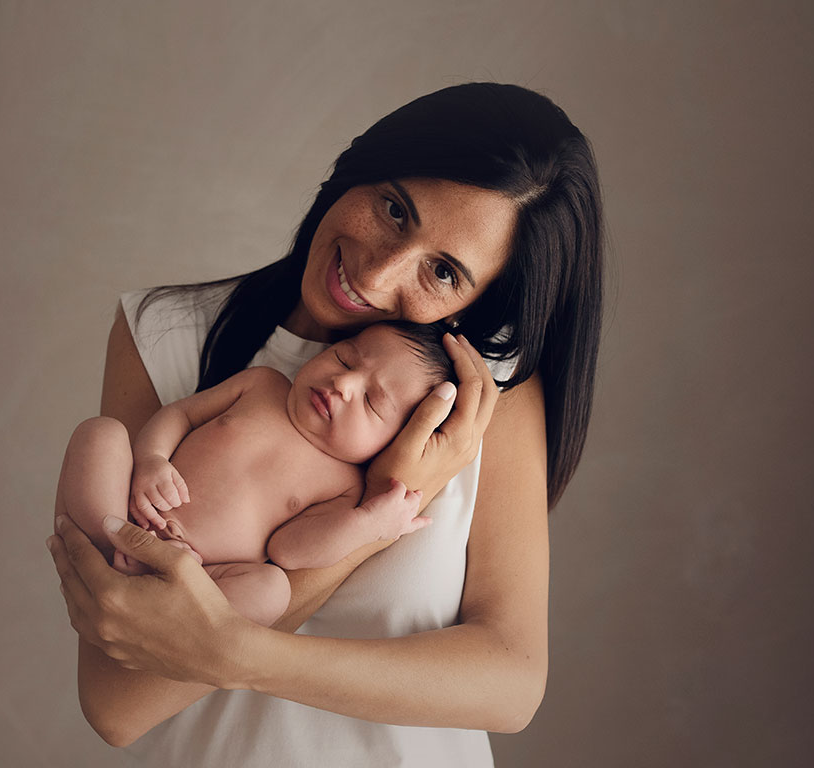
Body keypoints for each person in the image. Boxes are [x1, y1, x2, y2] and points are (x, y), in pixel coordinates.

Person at [47, 82, 603, 766]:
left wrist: (247, 652)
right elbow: (117, 706)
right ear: (359, 168)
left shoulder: (485, 401)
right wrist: (392, 492)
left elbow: (512, 683)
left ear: (486, 297)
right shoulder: (165, 334)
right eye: (395, 210)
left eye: (445, 272)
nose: (376, 272)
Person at [55, 322, 454, 627]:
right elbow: (182, 413)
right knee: (102, 432)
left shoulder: (344, 486)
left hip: (202, 571)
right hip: (129, 514)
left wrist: (368, 524)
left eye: (371, 401)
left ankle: (165, 602)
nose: (343, 383)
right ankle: (104, 546)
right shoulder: (263, 385)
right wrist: (152, 459)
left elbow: (289, 550)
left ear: (395, 440)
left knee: (271, 591)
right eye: (344, 358)